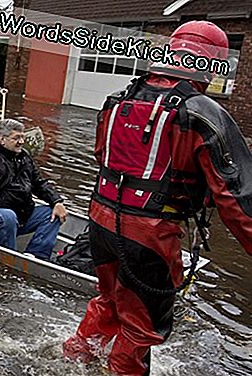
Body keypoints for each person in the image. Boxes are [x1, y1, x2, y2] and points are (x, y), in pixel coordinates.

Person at [63, 21, 252, 376]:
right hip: (148, 234)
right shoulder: (203, 112)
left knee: (109, 300)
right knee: (141, 326)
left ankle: (75, 359)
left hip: (101, 219)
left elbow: (103, 156)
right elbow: (238, 198)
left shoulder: (118, 100)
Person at [0, 119, 67, 259]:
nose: (21, 141)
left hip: (18, 217)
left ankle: (36, 255)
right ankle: (10, 257)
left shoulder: (24, 156)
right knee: (8, 216)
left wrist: (56, 201)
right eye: (16, 138)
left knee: (52, 213)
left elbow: (39, 183)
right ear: (2, 140)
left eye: (22, 137)